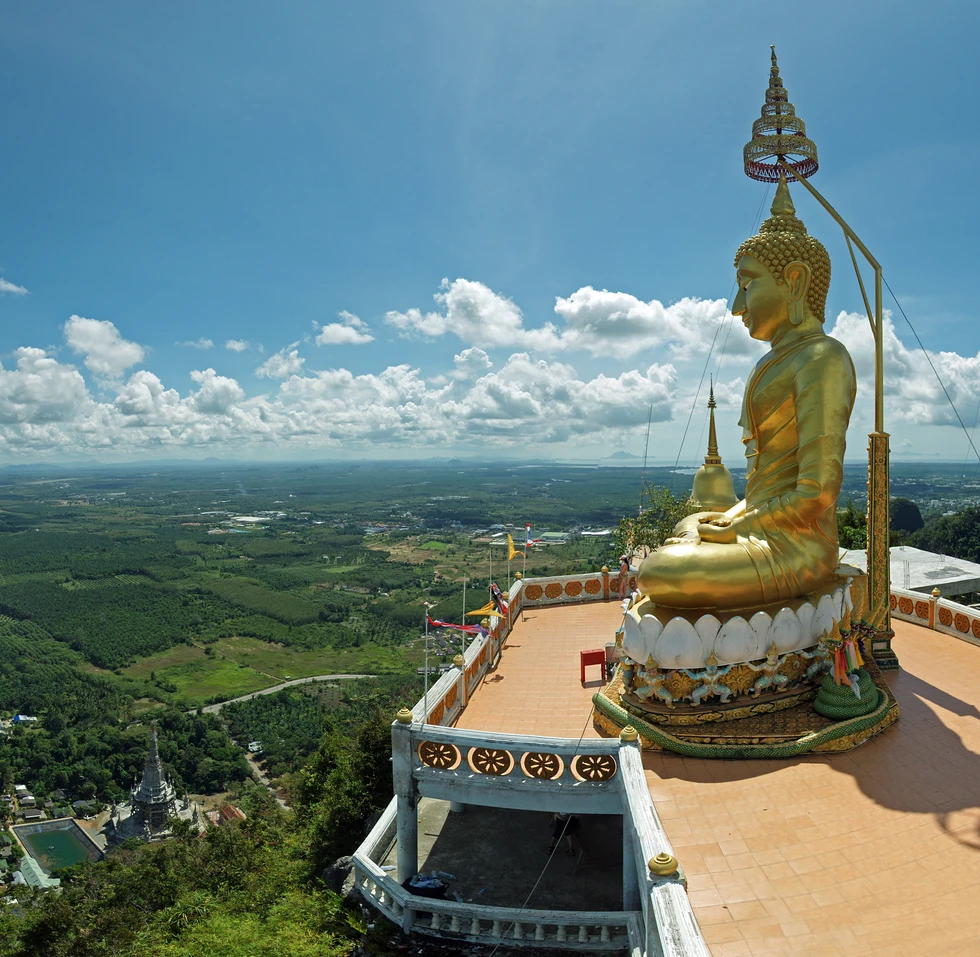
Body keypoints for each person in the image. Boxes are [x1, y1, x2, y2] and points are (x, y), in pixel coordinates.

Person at [637, 174, 855, 611]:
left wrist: (741, 525)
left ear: (794, 281)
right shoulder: (772, 362)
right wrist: (734, 518)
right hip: (760, 522)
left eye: (748, 283)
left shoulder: (823, 357)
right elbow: (759, 493)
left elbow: (816, 493)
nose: (737, 304)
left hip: (800, 544)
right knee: (692, 522)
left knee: (658, 573)